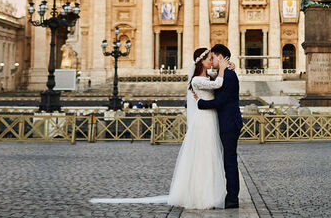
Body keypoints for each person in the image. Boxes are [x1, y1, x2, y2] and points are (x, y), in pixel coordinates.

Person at [90, 47, 228, 209]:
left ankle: (207, 191)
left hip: (208, 118)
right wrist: (223, 69)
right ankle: (201, 194)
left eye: (213, 58)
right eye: (210, 58)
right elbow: (218, 83)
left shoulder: (205, 76)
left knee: (208, 154)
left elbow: (215, 83)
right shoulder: (197, 79)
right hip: (204, 120)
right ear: (201, 61)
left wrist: (226, 68)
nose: (212, 61)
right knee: (203, 155)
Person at [197, 43, 243, 209]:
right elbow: (208, 75)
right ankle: (230, 195)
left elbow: (220, 101)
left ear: (221, 57)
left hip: (230, 122)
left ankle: (232, 197)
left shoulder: (229, 76)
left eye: (213, 57)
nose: (211, 61)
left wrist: (199, 103)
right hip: (228, 121)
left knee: (229, 160)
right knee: (228, 159)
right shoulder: (226, 73)